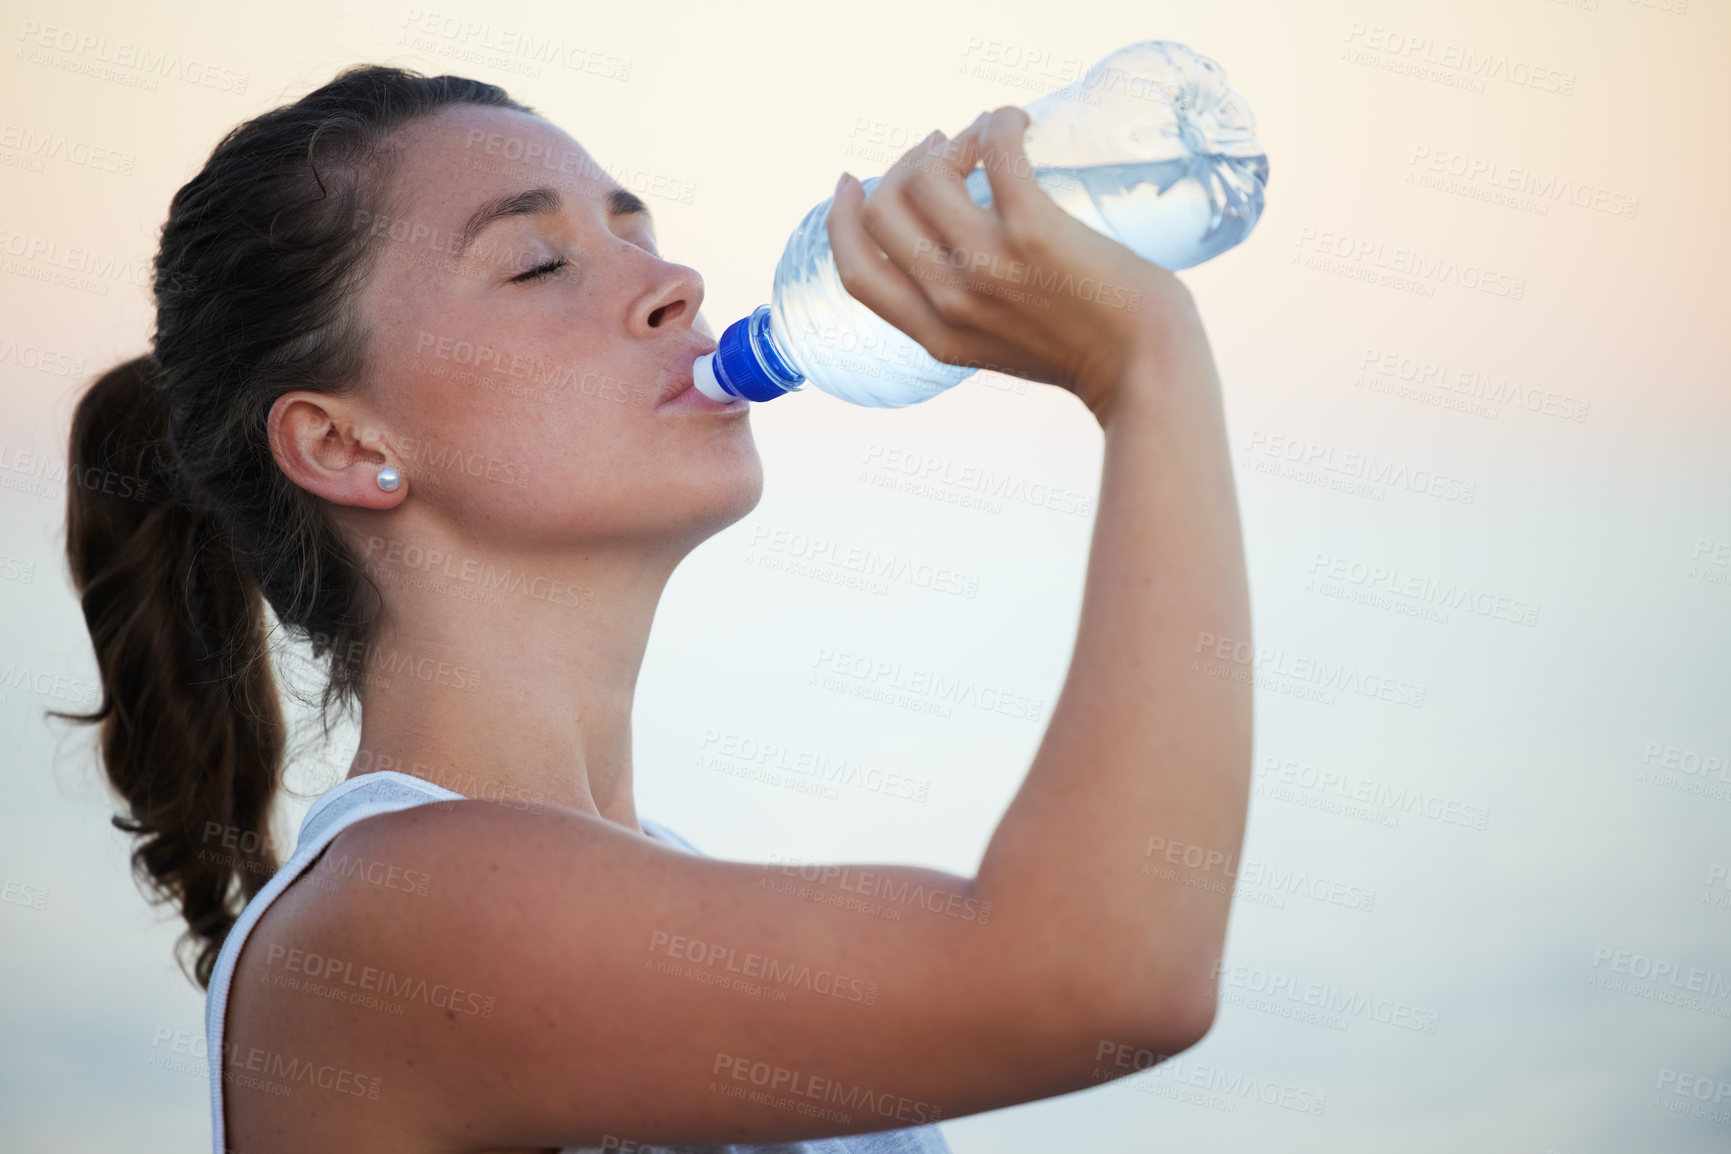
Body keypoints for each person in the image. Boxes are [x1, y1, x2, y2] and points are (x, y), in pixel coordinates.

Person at [59, 65, 1252, 1153]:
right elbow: (1103, 973)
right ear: (341, 440)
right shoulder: (394, 913)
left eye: (642, 236)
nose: (673, 285)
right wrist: (1145, 364)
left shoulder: (637, 893)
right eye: (538, 264)